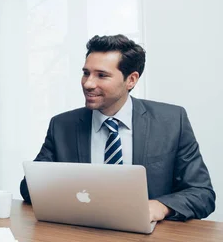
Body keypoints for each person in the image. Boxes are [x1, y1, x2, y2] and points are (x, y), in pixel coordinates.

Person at [20, 34, 215, 222]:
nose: (88, 83)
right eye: (86, 73)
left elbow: (202, 194)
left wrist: (159, 206)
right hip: (80, 234)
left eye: (102, 75)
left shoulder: (171, 122)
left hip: (149, 241)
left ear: (131, 80)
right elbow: (29, 188)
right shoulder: (62, 125)